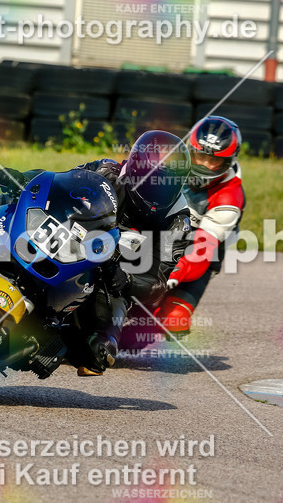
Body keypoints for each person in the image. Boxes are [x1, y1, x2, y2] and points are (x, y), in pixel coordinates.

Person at [73, 130, 192, 374]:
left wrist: (126, 280)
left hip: (111, 276)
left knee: (97, 355)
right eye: (151, 184)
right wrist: (27, 180)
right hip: (71, 245)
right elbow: (57, 186)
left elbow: (158, 283)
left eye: (165, 187)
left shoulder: (178, 220)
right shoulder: (105, 172)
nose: (156, 195)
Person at [155, 116, 244, 338]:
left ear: (228, 161)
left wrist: (172, 273)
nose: (204, 164)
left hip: (198, 258)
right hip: (156, 238)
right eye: (200, 155)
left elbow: (202, 249)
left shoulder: (230, 196)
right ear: (190, 150)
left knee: (175, 320)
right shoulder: (170, 167)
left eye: (213, 160)